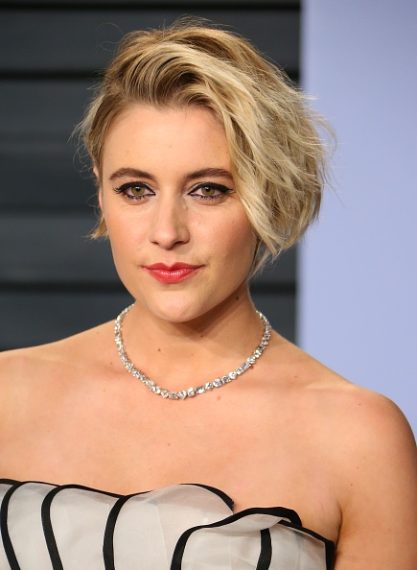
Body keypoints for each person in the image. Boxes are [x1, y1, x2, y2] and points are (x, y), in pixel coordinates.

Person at [0, 19, 416, 570]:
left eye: (208, 190)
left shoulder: (358, 437)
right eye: (136, 189)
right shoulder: (7, 394)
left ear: (269, 193)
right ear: (101, 191)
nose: (167, 231)